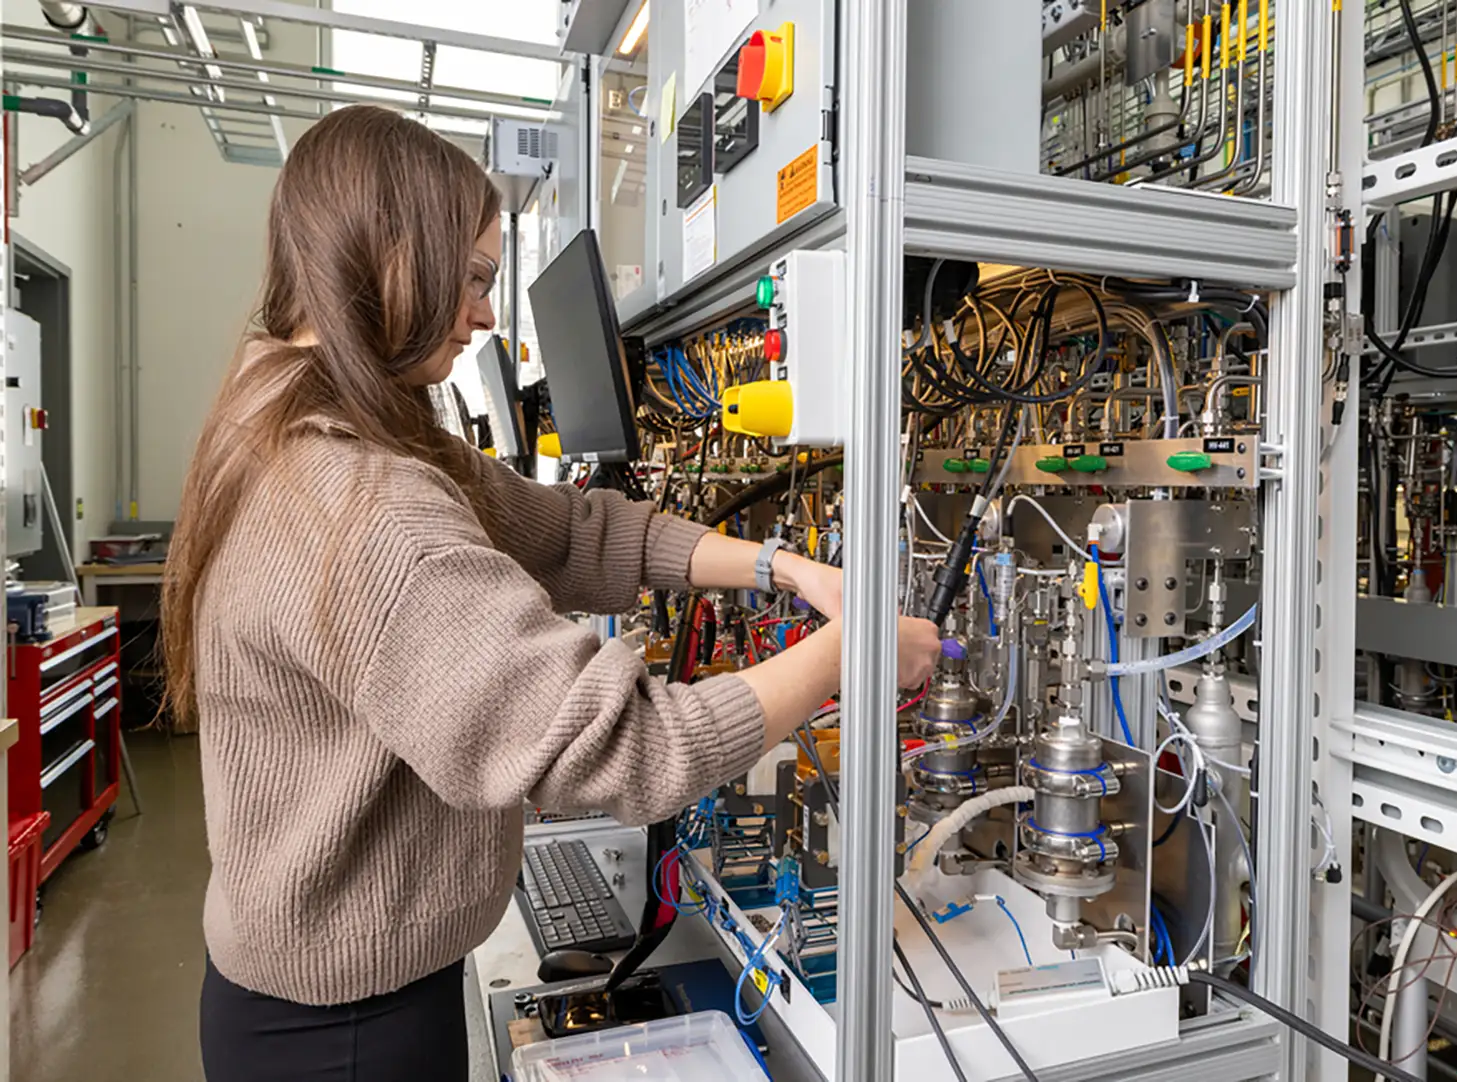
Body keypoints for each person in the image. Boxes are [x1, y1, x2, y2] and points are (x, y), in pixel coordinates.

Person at [162, 105, 942, 1082]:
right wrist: (853, 648)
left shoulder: (298, 410)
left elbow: (572, 530)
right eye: (477, 277)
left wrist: (781, 566)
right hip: (343, 1029)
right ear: (392, 256)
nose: (487, 314)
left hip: (319, 986)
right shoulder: (360, 503)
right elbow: (631, 747)